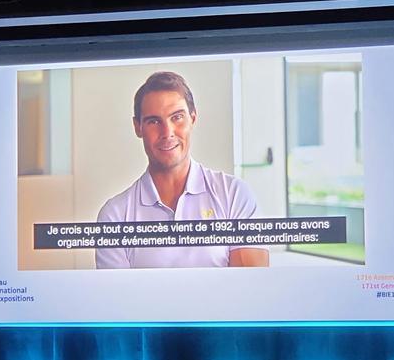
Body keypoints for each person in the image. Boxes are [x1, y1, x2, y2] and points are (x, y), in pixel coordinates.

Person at [95, 71, 269, 269]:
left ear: (192, 119)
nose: (167, 133)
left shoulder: (234, 194)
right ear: (138, 127)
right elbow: (119, 298)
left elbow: (250, 290)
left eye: (176, 117)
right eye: (154, 121)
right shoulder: (114, 215)